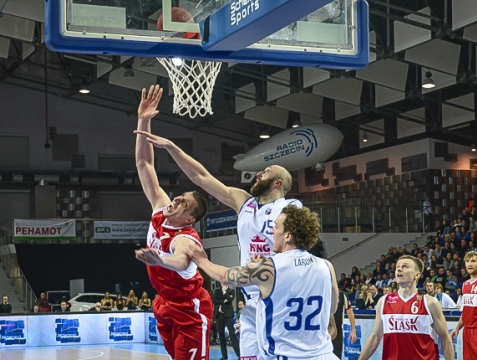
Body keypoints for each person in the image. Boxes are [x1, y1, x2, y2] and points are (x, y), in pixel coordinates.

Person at [135, 99, 302, 360]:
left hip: (281, 297)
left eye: (266, 171)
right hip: (250, 298)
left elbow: (307, 246)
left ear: (279, 182)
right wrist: (172, 147)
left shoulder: (290, 206)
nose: (259, 173)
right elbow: (200, 177)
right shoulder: (243, 202)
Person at [182, 205, 339, 360]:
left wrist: (201, 260)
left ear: (288, 236)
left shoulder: (270, 267)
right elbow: (331, 308)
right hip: (324, 355)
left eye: (276, 227)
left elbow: (225, 277)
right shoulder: (326, 266)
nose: (272, 231)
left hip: (287, 355)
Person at [133, 85, 213, 360]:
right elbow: (145, 165)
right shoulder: (159, 208)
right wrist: (143, 120)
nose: (177, 199)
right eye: (181, 195)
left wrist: (160, 260)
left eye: (184, 203)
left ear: (190, 219)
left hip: (189, 308)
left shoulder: (185, 238)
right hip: (163, 302)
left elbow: (181, 261)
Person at [359, 256, 454, 360]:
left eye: (405, 267)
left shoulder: (430, 303)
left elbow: (445, 338)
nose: (399, 269)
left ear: (417, 275)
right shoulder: (384, 301)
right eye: (398, 267)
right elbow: (375, 337)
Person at [213, 284, 240, 360]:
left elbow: (230, 300)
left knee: (232, 334)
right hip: (219, 315)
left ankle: (239, 354)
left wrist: (225, 293)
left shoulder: (231, 290)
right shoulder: (217, 290)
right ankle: (224, 355)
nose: (222, 283)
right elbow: (214, 300)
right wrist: (224, 300)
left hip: (228, 315)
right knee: (221, 336)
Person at [332, 291, 357, 358]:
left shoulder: (342, 295)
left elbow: (350, 312)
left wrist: (353, 330)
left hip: (337, 329)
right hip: (323, 329)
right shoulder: (322, 292)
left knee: (336, 355)